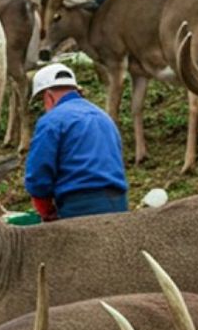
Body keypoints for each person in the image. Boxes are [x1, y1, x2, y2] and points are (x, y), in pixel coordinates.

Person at [24, 63, 128, 221]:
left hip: (79, 207)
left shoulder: (52, 121)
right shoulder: (103, 117)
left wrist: (46, 210)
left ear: (48, 96)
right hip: (118, 203)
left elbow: (39, 174)